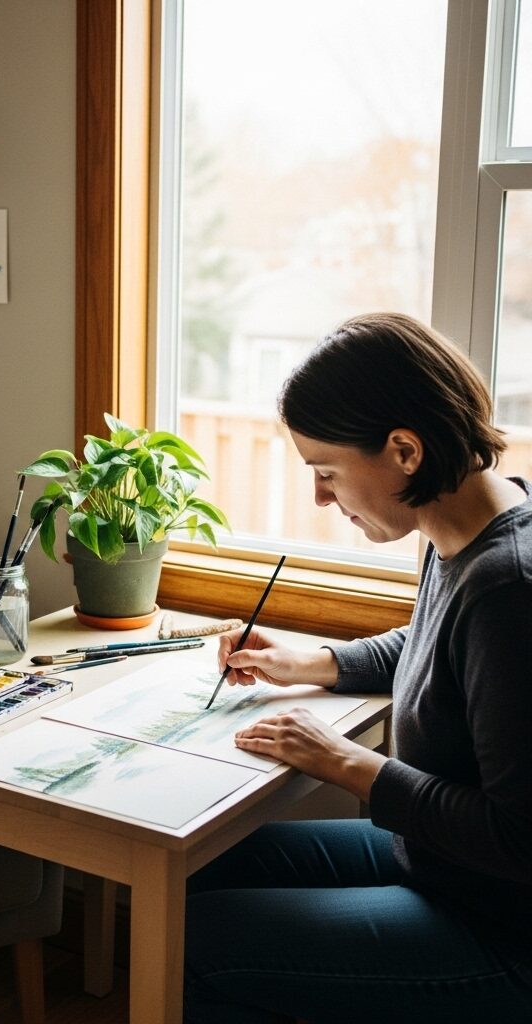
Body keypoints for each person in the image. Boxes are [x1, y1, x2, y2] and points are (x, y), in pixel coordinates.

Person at [183, 312, 532, 1023]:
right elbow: (435, 644)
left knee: (190, 943)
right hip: (440, 867)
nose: (319, 497)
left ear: (404, 449)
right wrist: (308, 661)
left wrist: (345, 763)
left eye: (326, 472)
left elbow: (520, 840)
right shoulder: (465, 524)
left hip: (503, 930)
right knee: (192, 872)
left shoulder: (510, 587)